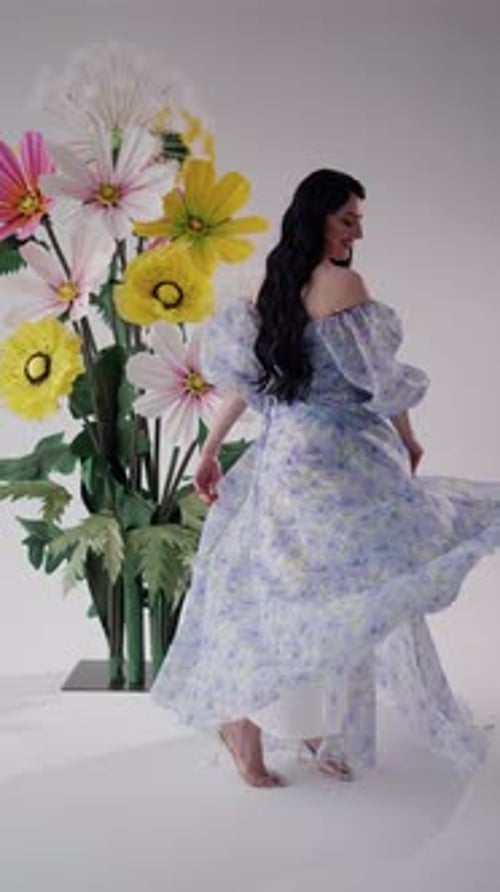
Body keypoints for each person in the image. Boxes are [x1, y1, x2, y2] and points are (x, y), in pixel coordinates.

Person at [151, 169, 500, 788]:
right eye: (347, 218)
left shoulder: (274, 284)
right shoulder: (343, 284)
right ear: (316, 217)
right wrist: (410, 436)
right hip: (335, 459)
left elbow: (252, 384)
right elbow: (382, 381)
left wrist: (210, 449)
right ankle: (280, 727)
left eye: (359, 219)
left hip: (283, 459)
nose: (357, 231)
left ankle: (282, 728)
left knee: (282, 594)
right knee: (343, 595)